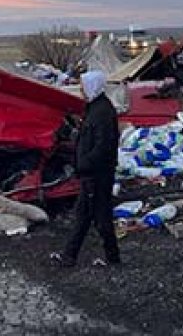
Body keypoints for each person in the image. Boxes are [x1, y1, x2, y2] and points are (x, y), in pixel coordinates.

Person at [51, 70, 121, 268]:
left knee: (100, 219)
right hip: (92, 174)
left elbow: (102, 146)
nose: (81, 90)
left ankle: (111, 258)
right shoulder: (95, 108)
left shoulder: (103, 113)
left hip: (98, 175)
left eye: (83, 86)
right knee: (84, 215)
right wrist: (72, 133)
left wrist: (84, 164)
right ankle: (69, 256)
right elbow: (88, 139)